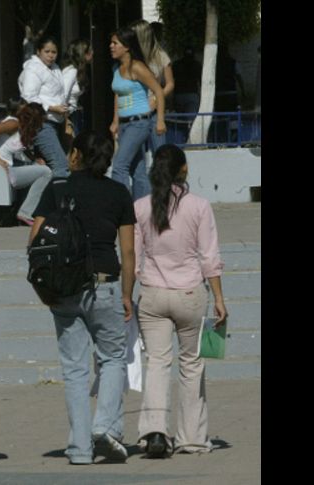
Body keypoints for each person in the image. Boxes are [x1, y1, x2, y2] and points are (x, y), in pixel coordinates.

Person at [29, 130, 136, 465]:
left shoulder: (58, 189)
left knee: (74, 370)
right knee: (112, 358)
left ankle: (79, 449)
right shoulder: (119, 193)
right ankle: (105, 426)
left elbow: (35, 241)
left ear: (76, 154)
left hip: (63, 289)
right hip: (104, 284)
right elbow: (129, 251)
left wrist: (43, 288)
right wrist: (127, 295)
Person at [133, 144, 227, 458]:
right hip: (189, 294)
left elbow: (133, 257)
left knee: (157, 363)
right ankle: (192, 438)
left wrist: (128, 294)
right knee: (191, 366)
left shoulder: (141, 207)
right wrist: (218, 298)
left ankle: (155, 432)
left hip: (153, 294)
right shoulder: (199, 206)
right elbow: (209, 257)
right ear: (183, 169)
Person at [109, 27, 167, 201]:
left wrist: (160, 120)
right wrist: (115, 121)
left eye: (115, 43)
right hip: (125, 124)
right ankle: (141, 213)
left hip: (139, 123)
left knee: (119, 166)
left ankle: (121, 209)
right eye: (111, 43)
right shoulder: (117, 68)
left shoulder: (138, 67)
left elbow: (158, 91)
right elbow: (118, 95)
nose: (111, 46)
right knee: (137, 170)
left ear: (126, 46)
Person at [0, 102, 52, 225]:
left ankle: (24, 210)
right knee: (47, 172)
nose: (41, 126)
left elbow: (17, 148)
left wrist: (34, 159)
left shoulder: (22, 129)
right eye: (40, 122)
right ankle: (26, 212)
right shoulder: (14, 123)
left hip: (6, 171)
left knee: (39, 168)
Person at [18, 36, 70, 177]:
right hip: (41, 122)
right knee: (60, 165)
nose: (51, 56)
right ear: (39, 51)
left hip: (56, 121)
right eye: (47, 51)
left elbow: (57, 94)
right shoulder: (33, 68)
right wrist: (52, 108)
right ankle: (62, 198)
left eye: (54, 52)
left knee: (49, 167)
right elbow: (29, 96)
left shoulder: (55, 68)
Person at [129, 19, 174, 153]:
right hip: (134, 110)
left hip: (154, 111)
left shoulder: (161, 56)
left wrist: (155, 99)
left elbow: (170, 83)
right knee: (137, 155)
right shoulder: (131, 58)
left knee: (160, 153)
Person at [61, 39, 93, 136]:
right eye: (90, 51)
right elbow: (63, 96)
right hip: (69, 116)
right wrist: (66, 121)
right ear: (83, 53)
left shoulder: (78, 72)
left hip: (75, 114)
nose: (93, 53)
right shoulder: (71, 71)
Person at [172, 47, 202, 114]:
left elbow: (171, 80)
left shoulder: (177, 64)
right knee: (190, 121)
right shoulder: (197, 65)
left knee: (179, 119)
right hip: (192, 94)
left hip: (179, 94)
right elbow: (201, 81)